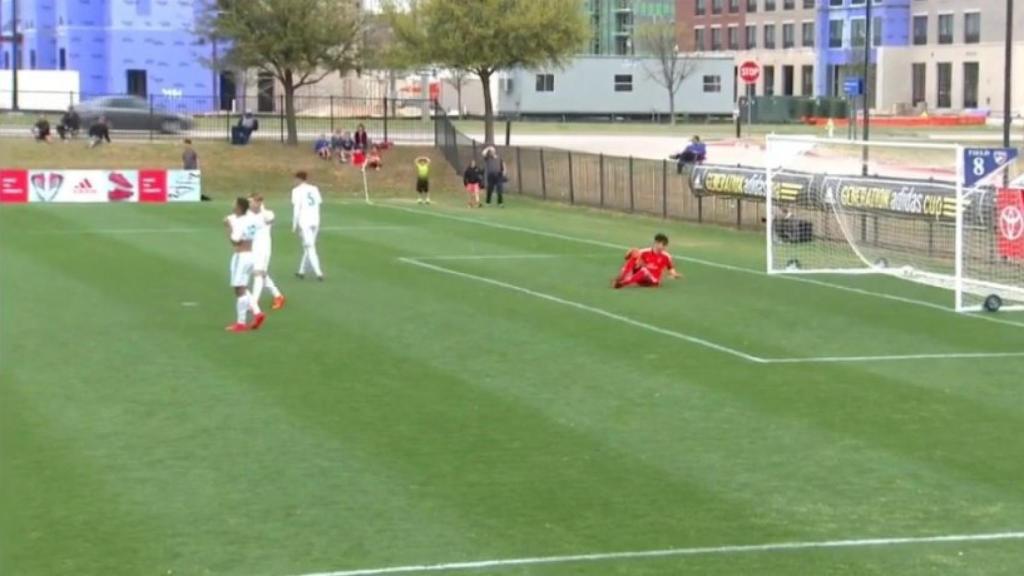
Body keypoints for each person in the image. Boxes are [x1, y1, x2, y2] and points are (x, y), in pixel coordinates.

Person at [225, 197, 266, 332]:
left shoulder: (240, 223)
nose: (232, 206)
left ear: (239, 207)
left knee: (238, 288)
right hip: (251, 254)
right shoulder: (252, 219)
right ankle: (257, 312)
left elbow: (235, 241)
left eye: (234, 204)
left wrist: (229, 227)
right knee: (242, 287)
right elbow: (260, 225)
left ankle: (241, 323)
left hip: (241, 256)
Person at [248, 193, 286, 311]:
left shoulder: (267, 214)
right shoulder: (247, 214)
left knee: (258, 274)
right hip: (252, 247)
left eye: (253, 202)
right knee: (260, 273)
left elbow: (270, 219)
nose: (250, 204)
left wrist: (261, 208)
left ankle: (253, 303)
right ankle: (278, 295)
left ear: (259, 203)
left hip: (263, 248)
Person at [613, 233, 681, 289]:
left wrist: (674, 274)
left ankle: (623, 283)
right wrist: (630, 256)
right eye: (663, 244)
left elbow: (671, 268)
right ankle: (620, 279)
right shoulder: (645, 251)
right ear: (656, 243)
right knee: (633, 260)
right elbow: (631, 255)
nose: (664, 247)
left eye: (665, 245)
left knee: (644, 270)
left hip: (653, 280)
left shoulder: (666, 256)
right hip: (642, 277)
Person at [291, 171, 324, 281]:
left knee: (310, 247)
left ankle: (319, 273)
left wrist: (294, 225)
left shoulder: (296, 191)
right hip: (315, 220)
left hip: (304, 221)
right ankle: (301, 271)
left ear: (299, 179)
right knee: (308, 245)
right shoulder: (314, 188)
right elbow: (318, 203)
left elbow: (296, 209)